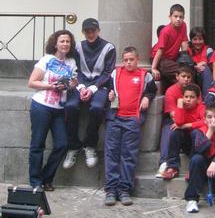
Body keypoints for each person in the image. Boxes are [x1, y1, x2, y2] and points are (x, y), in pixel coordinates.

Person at [104, 46, 157, 206]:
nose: (128, 63)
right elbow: (108, 89)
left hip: (133, 120)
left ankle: (125, 189)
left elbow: (152, 90)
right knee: (111, 154)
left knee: (129, 155)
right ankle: (111, 190)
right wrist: (110, 94)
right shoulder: (115, 73)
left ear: (137, 59)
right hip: (115, 119)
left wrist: (147, 97)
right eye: (126, 60)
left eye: (131, 60)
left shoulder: (145, 76)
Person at [28, 30, 78, 190]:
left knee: (62, 144)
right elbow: (32, 82)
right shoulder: (47, 59)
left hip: (58, 109)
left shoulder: (71, 62)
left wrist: (70, 85)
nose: (65, 44)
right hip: (41, 106)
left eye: (68, 42)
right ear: (55, 43)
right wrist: (51, 86)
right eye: (62, 41)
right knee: (37, 145)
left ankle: (46, 177)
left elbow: (74, 82)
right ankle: (36, 182)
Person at [63, 18, 116, 170]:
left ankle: (89, 145)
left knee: (97, 108)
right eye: (87, 31)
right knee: (71, 106)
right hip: (80, 85)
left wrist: (92, 88)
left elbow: (107, 72)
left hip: (100, 87)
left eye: (93, 30)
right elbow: (76, 69)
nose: (90, 33)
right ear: (83, 32)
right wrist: (80, 87)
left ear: (98, 30)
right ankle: (73, 146)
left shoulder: (109, 48)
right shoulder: (78, 47)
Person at [184, 104, 215, 213]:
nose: (213, 120)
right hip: (204, 162)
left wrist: (214, 163)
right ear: (204, 120)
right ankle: (192, 199)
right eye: (209, 117)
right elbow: (199, 148)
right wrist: (210, 132)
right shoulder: (200, 131)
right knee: (196, 159)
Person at [155, 63, 196, 177]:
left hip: (189, 121)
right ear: (177, 76)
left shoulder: (194, 90)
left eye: (188, 77)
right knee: (170, 129)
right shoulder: (171, 91)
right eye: (183, 76)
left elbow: (199, 112)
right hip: (175, 121)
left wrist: (187, 124)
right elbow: (175, 118)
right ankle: (165, 163)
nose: (186, 79)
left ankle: (195, 165)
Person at [160, 83, 205, 180]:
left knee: (196, 132)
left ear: (198, 99)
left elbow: (205, 122)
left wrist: (187, 125)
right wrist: (180, 105)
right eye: (186, 97)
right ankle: (172, 166)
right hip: (184, 142)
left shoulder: (201, 108)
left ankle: (192, 168)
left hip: (197, 144)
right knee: (174, 132)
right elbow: (179, 122)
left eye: (192, 97)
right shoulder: (181, 107)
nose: (188, 99)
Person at [150, 4, 189, 89]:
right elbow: (160, 50)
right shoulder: (165, 31)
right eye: (175, 16)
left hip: (172, 58)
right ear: (170, 17)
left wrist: (185, 59)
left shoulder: (183, 25)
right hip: (159, 58)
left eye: (181, 17)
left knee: (188, 68)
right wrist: (153, 68)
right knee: (182, 72)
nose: (178, 19)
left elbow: (184, 42)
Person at [188, 26, 214, 98]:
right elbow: (184, 65)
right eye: (195, 39)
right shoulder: (187, 50)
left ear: (204, 40)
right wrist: (195, 66)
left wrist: (206, 64)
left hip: (205, 78)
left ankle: (207, 98)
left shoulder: (208, 50)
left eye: (200, 39)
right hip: (192, 77)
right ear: (191, 40)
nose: (198, 42)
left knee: (205, 69)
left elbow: (213, 65)